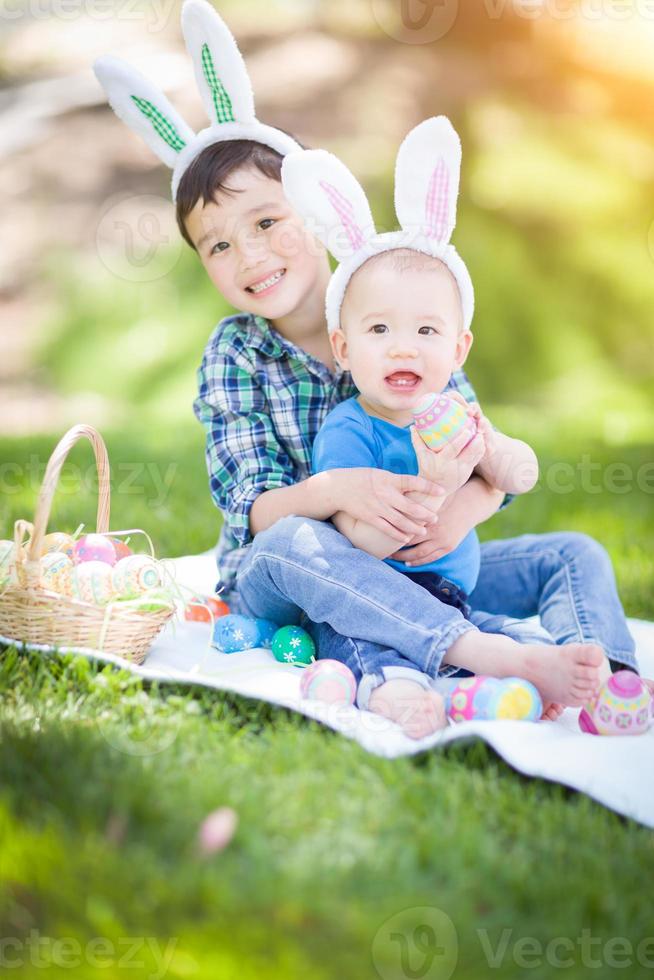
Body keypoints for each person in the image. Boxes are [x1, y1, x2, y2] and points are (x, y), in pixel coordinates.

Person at [95, 3, 642, 740]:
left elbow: (477, 442)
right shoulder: (237, 355)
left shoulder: (393, 308)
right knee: (290, 543)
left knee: (570, 553)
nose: (250, 256)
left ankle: (605, 677)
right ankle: (477, 651)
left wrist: (458, 513)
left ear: (316, 210)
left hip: (426, 560)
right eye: (217, 246)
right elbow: (252, 510)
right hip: (291, 574)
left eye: (265, 222)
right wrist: (333, 491)